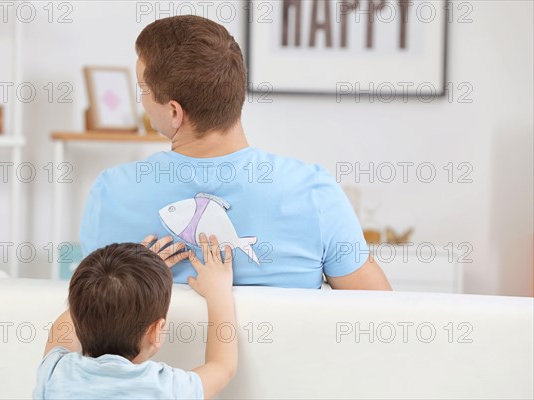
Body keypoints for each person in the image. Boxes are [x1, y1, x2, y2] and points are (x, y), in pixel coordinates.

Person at [80, 15, 391, 291]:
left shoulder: (111, 193)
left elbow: (88, 318)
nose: (142, 101)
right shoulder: (314, 190)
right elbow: (377, 313)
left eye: (143, 90)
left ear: (175, 112)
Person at [34, 234, 236, 399]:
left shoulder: (56, 375)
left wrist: (109, 288)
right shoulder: (167, 389)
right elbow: (222, 367)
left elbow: (60, 333)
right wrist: (218, 292)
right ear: (156, 331)